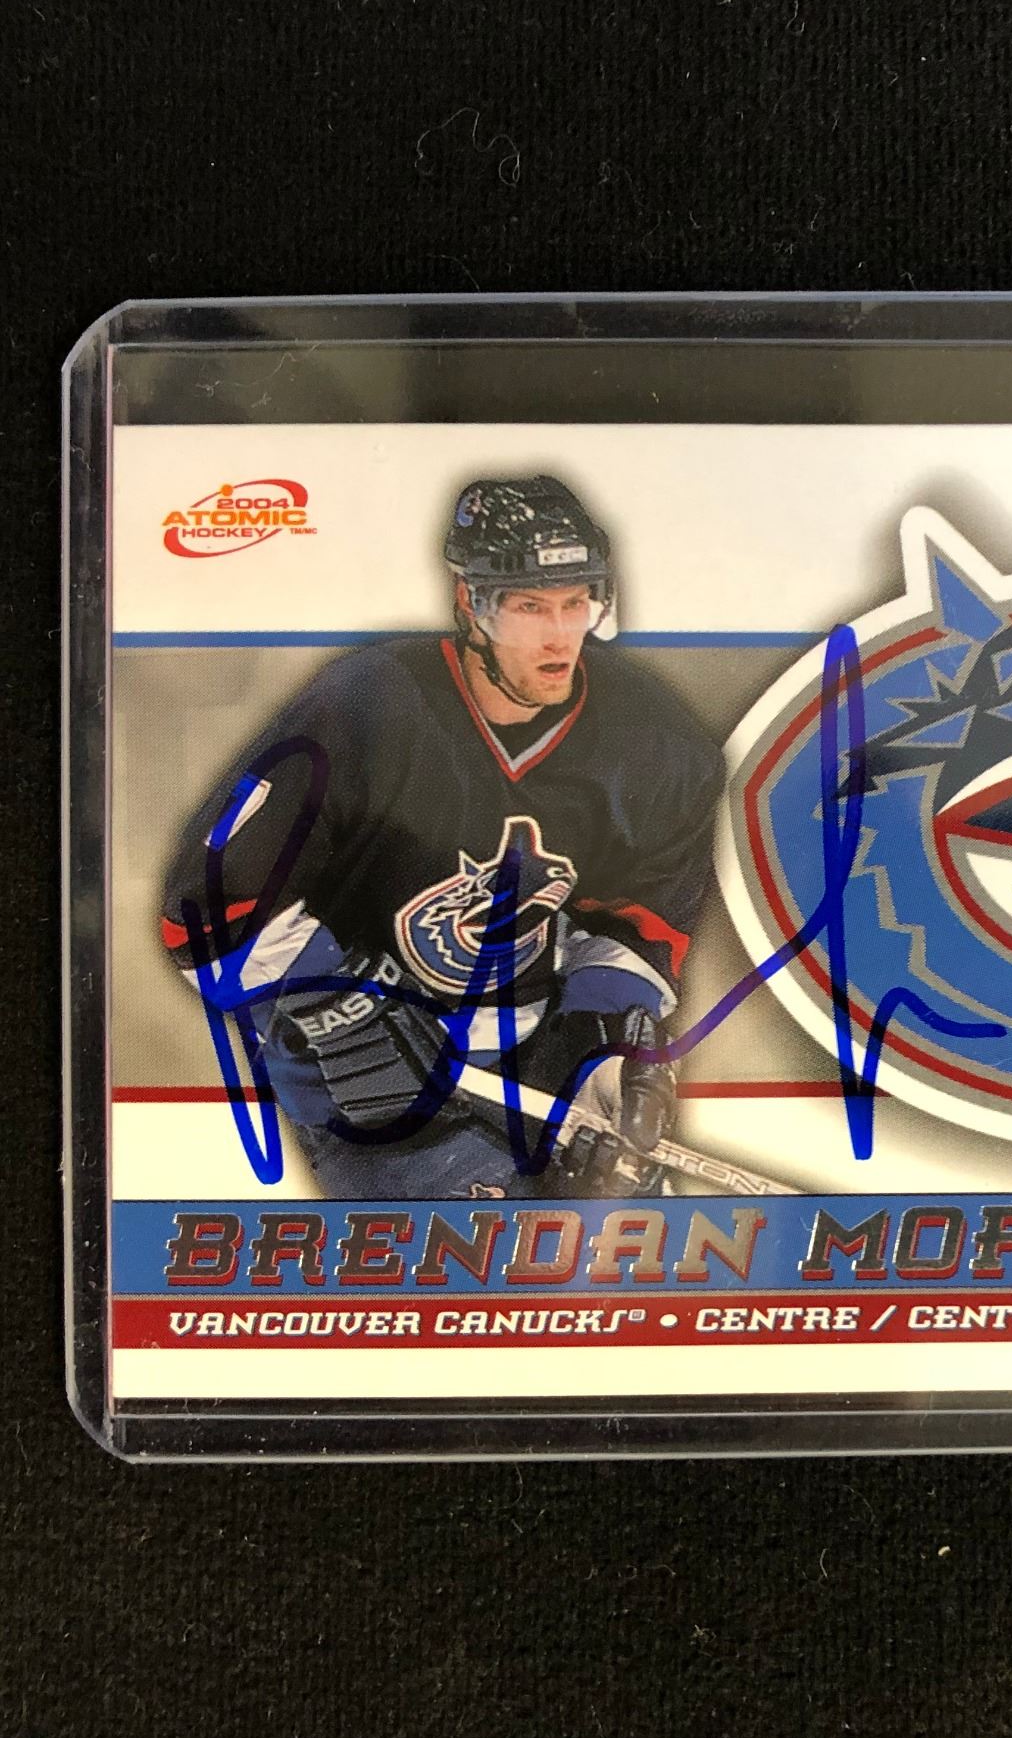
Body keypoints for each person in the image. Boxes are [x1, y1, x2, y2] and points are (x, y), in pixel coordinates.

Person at [161, 474, 724, 1200]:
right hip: (366, 1087)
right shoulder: (365, 709)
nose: (559, 634)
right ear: (471, 604)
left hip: (532, 1060)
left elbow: (635, 923)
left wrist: (604, 1051)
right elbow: (206, 910)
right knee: (489, 1254)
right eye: (528, 607)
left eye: (575, 602)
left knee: (625, 1249)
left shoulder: (656, 742)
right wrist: (342, 1005)